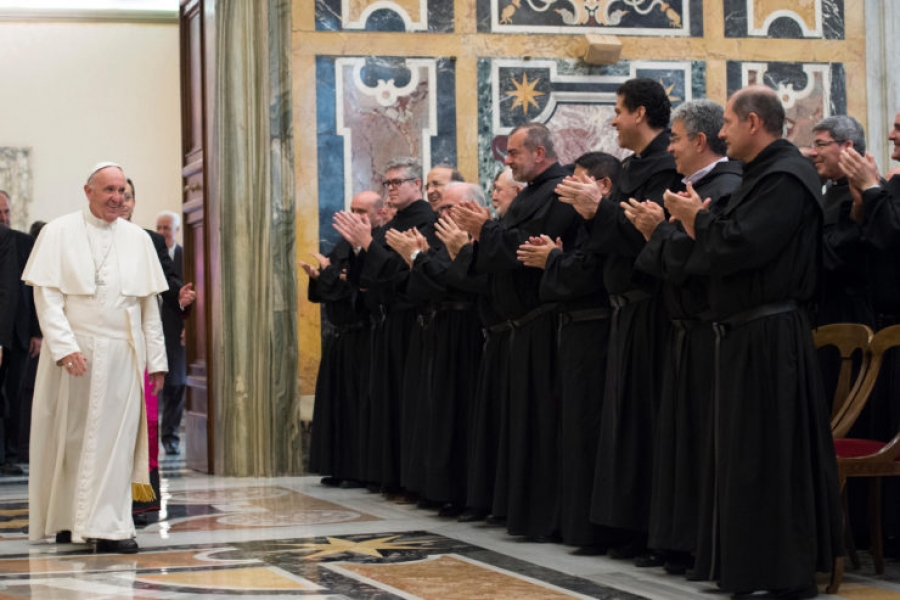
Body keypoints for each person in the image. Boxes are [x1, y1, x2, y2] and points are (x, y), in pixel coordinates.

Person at [665, 86, 842, 598]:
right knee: (745, 458)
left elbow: (741, 243)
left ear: (752, 122)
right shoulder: (762, 175)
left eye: (726, 122)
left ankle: (782, 572)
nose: (720, 133)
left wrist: (694, 219)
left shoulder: (786, 177)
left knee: (770, 458)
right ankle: (748, 566)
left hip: (771, 337)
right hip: (747, 333)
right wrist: (698, 222)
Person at [558, 77, 682, 561]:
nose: (612, 120)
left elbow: (643, 240)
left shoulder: (666, 167)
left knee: (645, 424)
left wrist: (598, 211)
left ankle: (650, 530)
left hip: (650, 309)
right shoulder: (634, 167)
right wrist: (596, 213)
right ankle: (626, 526)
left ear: (640, 113)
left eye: (617, 110)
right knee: (624, 426)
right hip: (624, 312)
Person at [23, 162, 169, 553]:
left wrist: (157, 360)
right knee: (69, 441)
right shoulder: (58, 232)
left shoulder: (138, 239)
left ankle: (110, 527)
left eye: (122, 191)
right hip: (76, 354)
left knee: (116, 445)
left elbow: (149, 307)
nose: (117, 198)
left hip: (123, 355)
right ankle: (68, 521)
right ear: (88, 191)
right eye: (109, 190)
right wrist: (64, 346)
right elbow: (47, 297)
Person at [625, 99, 742, 576]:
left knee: (700, 443)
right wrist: (657, 233)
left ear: (700, 140)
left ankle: (698, 543)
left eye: (674, 138)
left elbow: (701, 261)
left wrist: (657, 232)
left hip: (708, 331)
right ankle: (677, 540)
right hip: (683, 332)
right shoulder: (691, 189)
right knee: (679, 442)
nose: (669, 147)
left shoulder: (725, 188)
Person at [453, 122, 581, 541]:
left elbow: (526, 247)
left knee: (542, 426)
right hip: (521, 329)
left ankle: (544, 515)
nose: (507, 161)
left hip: (545, 327)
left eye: (513, 153)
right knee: (521, 426)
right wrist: (485, 233)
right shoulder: (531, 193)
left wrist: (484, 231)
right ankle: (521, 511)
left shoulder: (560, 191)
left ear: (539, 153)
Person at [517, 151, 621, 553]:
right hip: (574, 330)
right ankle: (572, 523)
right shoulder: (582, 223)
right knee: (570, 430)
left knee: (588, 429)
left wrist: (554, 260)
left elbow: (588, 273)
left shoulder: (608, 223)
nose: (566, 191)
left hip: (596, 331)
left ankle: (591, 530)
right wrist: (555, 258)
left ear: (604, 186)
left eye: (576, 181)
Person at [333, 158, 437, 495]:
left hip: (411, 321)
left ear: (416, 184)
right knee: (385, 401)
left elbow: (401, 272)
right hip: (386, 322)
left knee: (406, 402)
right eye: (387, 183)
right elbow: (368, 277)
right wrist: (359, 248)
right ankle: (387, 474)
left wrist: (368, 245)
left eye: (397, 182)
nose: (390, 188)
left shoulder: (426, 221)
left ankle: (408, 479)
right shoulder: (394, 223)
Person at [303, 190, 384, 488]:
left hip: (364, 337)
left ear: (379, 214)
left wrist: (329, 277)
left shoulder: (378, 245)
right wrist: (320, 278)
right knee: (336, 405)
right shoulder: (342, 246)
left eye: (362, 211)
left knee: (357, 405)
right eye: (352, 209)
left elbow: (357, 293)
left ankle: (359, 470)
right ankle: (338, 466)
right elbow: (332, 290)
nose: (355, 216)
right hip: (340, 337)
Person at [807, 116, 874, 327]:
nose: (813, 152)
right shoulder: (828, 191)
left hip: (853, 315)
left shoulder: (869, 194)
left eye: (821, 144)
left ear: (847, 147)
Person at [0, 191, 40, 472]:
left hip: (21, 333)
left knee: (15, 395)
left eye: (7, 212)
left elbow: (36, 288)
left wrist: (37, 332)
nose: (4, 218)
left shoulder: (25, 242)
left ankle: (13, 454)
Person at [155, 210, 190, 456]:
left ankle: (170, 436)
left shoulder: (186, 257)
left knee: (176, 383)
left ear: (176, 230)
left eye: (166, 228)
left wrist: (191, 327)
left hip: (176, 329)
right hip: (151, 327)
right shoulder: (150, 254)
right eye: (159, 227)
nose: (162, 232)